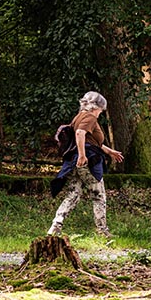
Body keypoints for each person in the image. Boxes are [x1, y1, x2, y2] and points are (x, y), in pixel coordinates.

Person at [48, 91, 124, 238]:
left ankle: (55, 226)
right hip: (87, 161)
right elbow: (80, 134)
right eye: (101, 110)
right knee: (98, 195)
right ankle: (102, 231)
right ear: (97, 107)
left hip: (75, 161)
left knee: (73, 194)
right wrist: (83, 155)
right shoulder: (90, 116)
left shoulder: (79, 116)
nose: (101, 113)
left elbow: (91, 140)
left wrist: (109, 152)